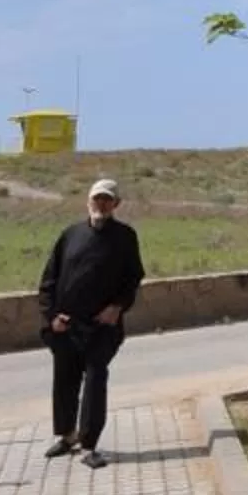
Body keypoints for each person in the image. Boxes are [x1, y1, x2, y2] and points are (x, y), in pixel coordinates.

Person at [39, 176, 144, 468]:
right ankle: (67, 435)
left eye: (107, 199)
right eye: (97, 198)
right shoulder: (70, 235)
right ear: (88, 201)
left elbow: (133, 278)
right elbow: (49, 279)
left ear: (116, 204)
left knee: (96, 380)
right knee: (64, 381)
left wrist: (117, 308)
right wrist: (51, 317)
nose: (101, 204)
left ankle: (89, 444)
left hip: (103, 326)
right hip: (66, 326)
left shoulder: (125, 237)